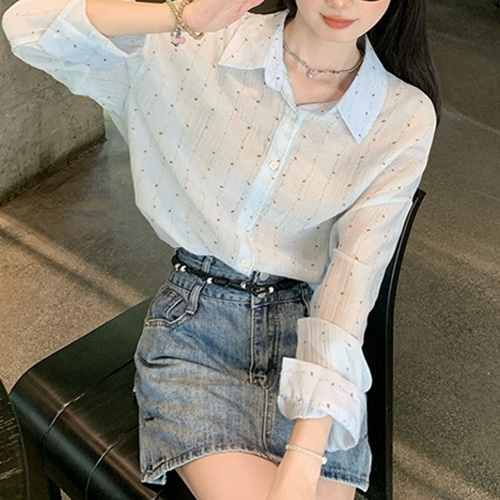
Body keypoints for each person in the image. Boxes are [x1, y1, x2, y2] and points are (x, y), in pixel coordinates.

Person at [2, 0, 440, 498]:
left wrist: (303, 455)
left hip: (308, 338)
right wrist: (180, 15)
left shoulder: (403, 117)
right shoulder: (200, 44)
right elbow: (28, 27)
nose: (343, 2)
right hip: (196, 328)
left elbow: (351, 283)